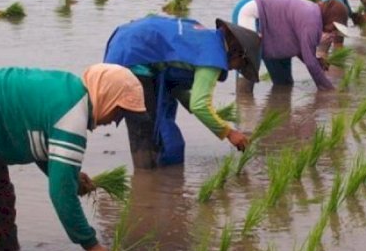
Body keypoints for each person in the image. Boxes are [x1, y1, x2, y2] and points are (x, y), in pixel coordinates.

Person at [0, 63, 148, 251]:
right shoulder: (72, 118)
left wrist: (71, 176)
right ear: (107, 96)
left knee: (1, 209)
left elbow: (39, 143)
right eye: (120, 112)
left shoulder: (69, 90)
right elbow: (61, 194)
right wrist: (91, 245)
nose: (116, 121)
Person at [103, 15, 261, 169]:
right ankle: (145, 180)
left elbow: (176, 85)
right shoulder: (213, 57)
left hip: (126, 41)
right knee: (146, 130)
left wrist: (206, 113)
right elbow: (200, 105)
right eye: (240, 65)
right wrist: (229, 133)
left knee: (160, 133)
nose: (235, 69)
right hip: (133, 57)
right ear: (238, 53)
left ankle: (153, 179)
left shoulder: (206, 38)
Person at [231, 0, 349, 91]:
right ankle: (245, 111)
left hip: (274, 34)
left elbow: (303, 51)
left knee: (284, 84)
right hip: (251, 13)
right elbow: (310, 62)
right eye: (333, 28)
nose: (332, 32)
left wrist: (317, 60)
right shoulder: (312, 21)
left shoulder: (313, 16)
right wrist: (329, 90)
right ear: (329, 17)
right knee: (248, 66)